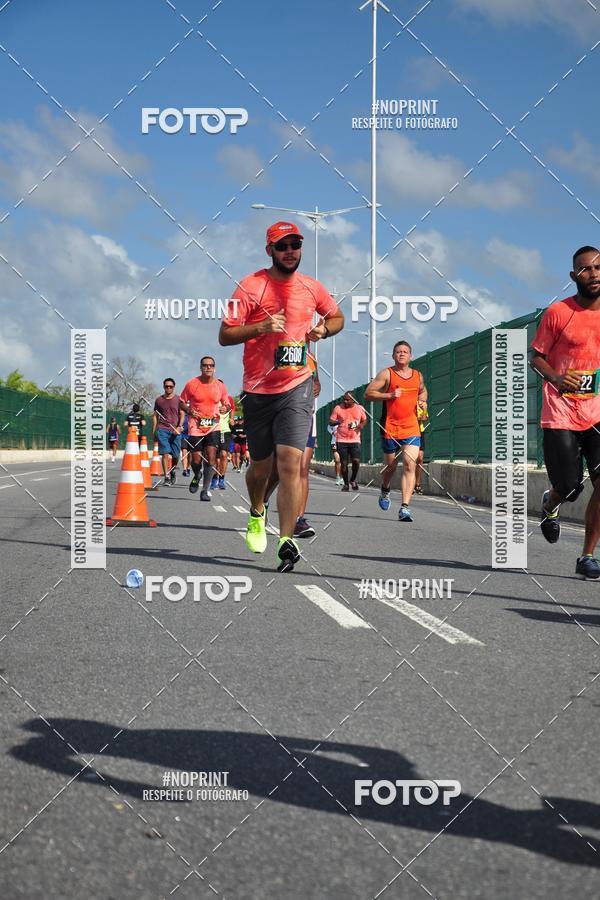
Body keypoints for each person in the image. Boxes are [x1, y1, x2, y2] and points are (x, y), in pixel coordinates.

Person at [219, 220, 344, 572]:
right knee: (260, 468)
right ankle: (257, 511)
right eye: (282, 246)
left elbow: (337, 317)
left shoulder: (311, 287)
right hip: (258, 390)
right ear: (269, 250)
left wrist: (324, 329)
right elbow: (225, 335)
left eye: (295, 245)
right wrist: (260, 326)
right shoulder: (250, 287)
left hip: (298, 386)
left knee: (290, 463)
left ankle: (286, 541)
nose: (290, 252)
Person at [531, 245, 600, 580]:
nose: (594, 273)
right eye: (585, 269)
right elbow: (537, 357)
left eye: (599, 266)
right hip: (561, 412)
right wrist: (557, 377)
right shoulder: (559, 312)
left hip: (598, 412)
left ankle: (587, 556)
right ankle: (550, 502)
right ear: (574, 276)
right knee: (571, 486)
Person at [365, 340, 428, 522]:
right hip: (390, 426)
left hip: (411, 427)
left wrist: (422, 403)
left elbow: (422, 392)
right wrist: (389, 395)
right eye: (398, 352)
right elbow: (368, 394)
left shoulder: (417, 376)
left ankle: (405, 507)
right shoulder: (387, 374)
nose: (401, 354)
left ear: (411, 356)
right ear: (393, 355)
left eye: (405, 352)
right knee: (391, 466)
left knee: (410, 464)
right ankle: (385, 489)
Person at [179, 358, 231, 502]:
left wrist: (224, 408)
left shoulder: (220, 386)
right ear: (200, 367)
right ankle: (197, 475)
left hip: (213, 426)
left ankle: (205, 490)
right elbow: (181, 403)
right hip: (195, 425)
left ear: (214, 368)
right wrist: (189, 410)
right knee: (195, 459)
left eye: (211, 365)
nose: (208, 368)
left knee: (212, 456)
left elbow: (227, 404)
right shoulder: (192, 384)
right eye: (205, 365)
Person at [329, 392, 367, 492]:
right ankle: (346, 484)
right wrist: (339, 421)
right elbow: (331, 421)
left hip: (355, 439)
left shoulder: (359, 408)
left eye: (347, 400)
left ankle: (353, 480)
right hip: (341, 440)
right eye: (344, 399)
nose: (345, 401)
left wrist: (361, 425)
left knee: (356, 461)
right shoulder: (338, 408)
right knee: (344, 463)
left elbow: (364, 420)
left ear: (353, 400)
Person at [152, 378, 184, 486]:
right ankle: (166, 476)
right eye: (166, 386)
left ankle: (172, 471)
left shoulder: (179, 399)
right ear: (163, 387)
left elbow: (182, 414)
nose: (168, 388)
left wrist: (179, 426)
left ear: (174, 387)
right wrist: (154, 430)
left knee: (175, 456)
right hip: (163, 429)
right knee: (165, 453)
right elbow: (155, 416)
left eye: (170, 386)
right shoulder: (159, 400)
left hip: (175, 430)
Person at [212, 381, 236, 490]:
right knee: (214, 459)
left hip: (225, 431)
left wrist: (231, 418)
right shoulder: (210, 398)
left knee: (224, 455)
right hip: (213, 430)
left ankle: (221, 478)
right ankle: (213, 478)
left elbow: (232, 408)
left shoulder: (228, 399)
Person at [414, 404, 427, 494]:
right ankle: (410, 484)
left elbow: (424, 418)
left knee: (420, 458)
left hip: (420, 432)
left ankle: (417, 484)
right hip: (409, 432)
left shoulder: (420, 403)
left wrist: (424, 409)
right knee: (410, 460)